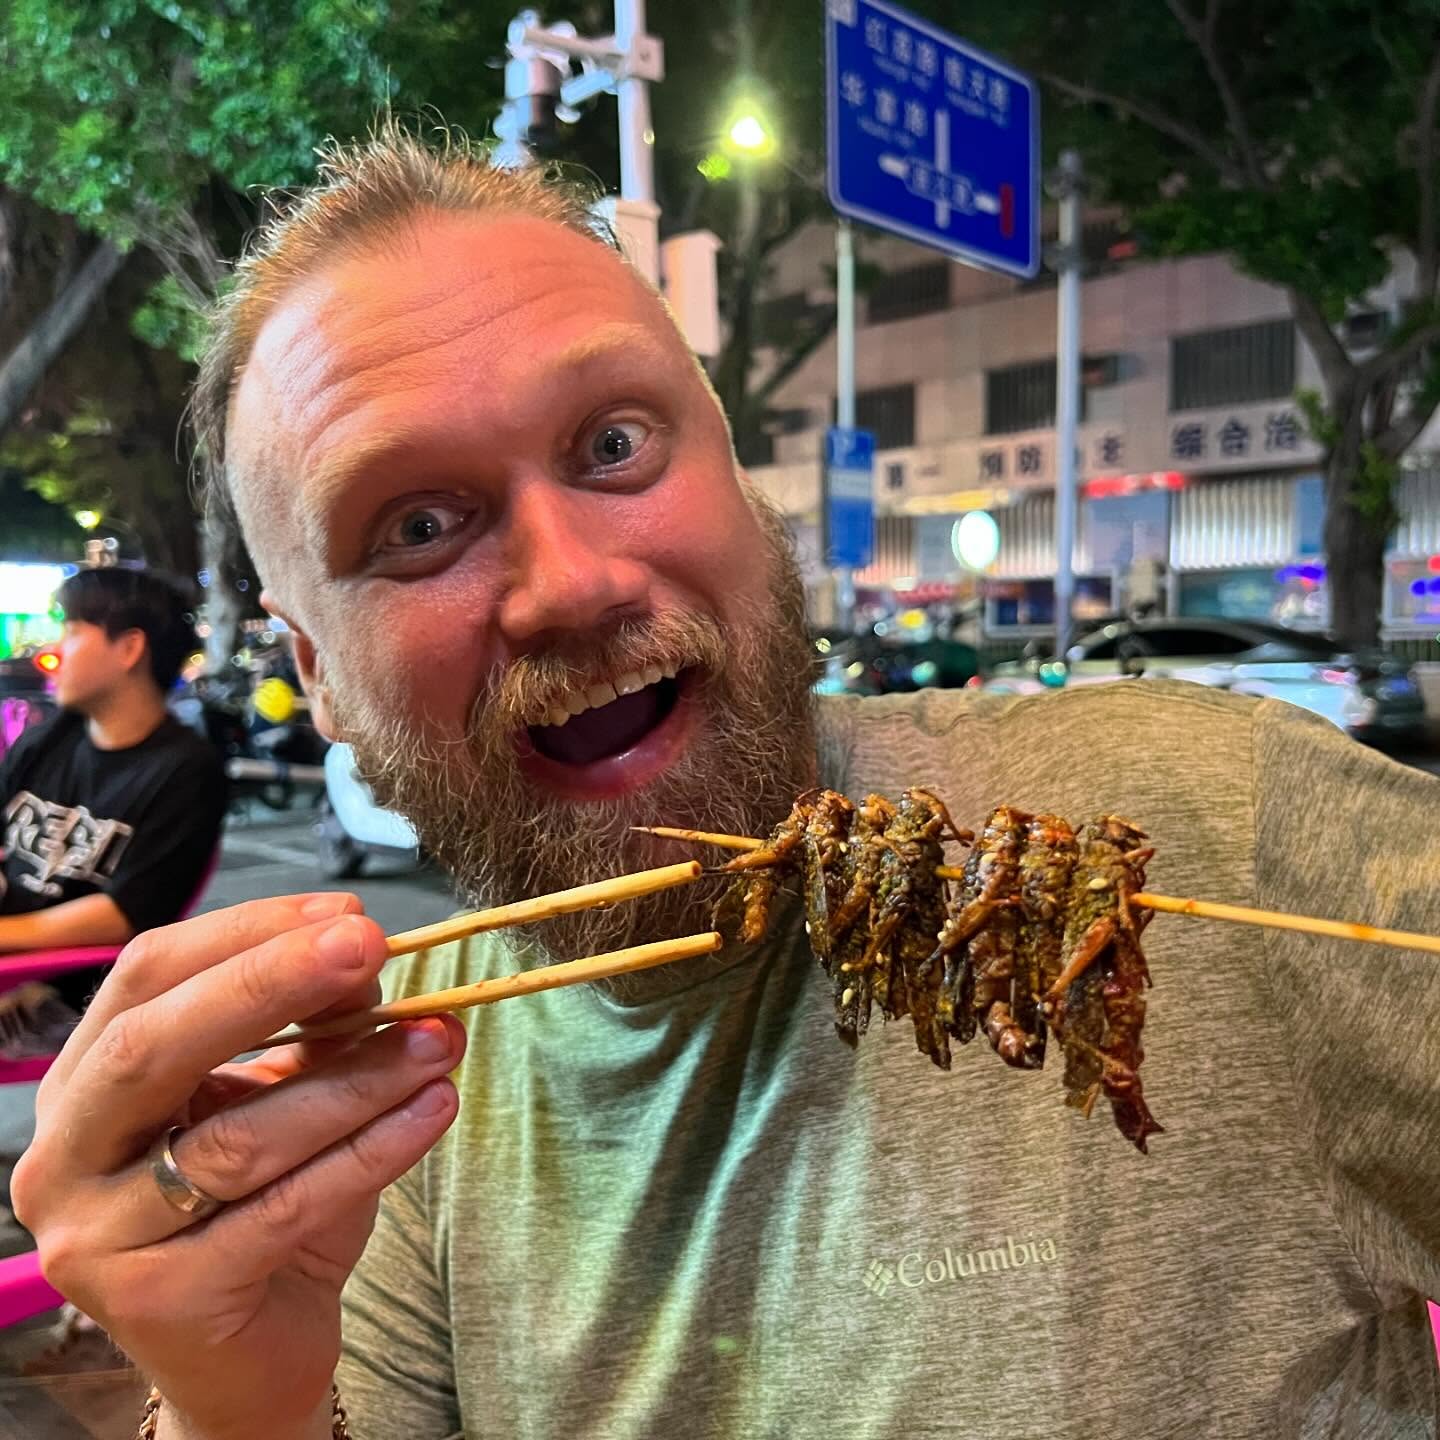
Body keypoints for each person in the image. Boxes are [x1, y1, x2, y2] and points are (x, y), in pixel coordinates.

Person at [11, 127, 1438, 1440]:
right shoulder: (394, 1094)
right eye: (420, 524)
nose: (570, 582)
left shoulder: (1207, 820)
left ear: (747, 492)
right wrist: (231, 1406)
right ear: (315, 673)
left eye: (616, 444)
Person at [0, 567, 227, 1055]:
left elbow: (124, 914)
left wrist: (6, 936)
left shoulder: (186, 770)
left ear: (128, 649)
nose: (56, 648)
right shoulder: (49, 739)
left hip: (70, 997)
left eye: (73, 631)